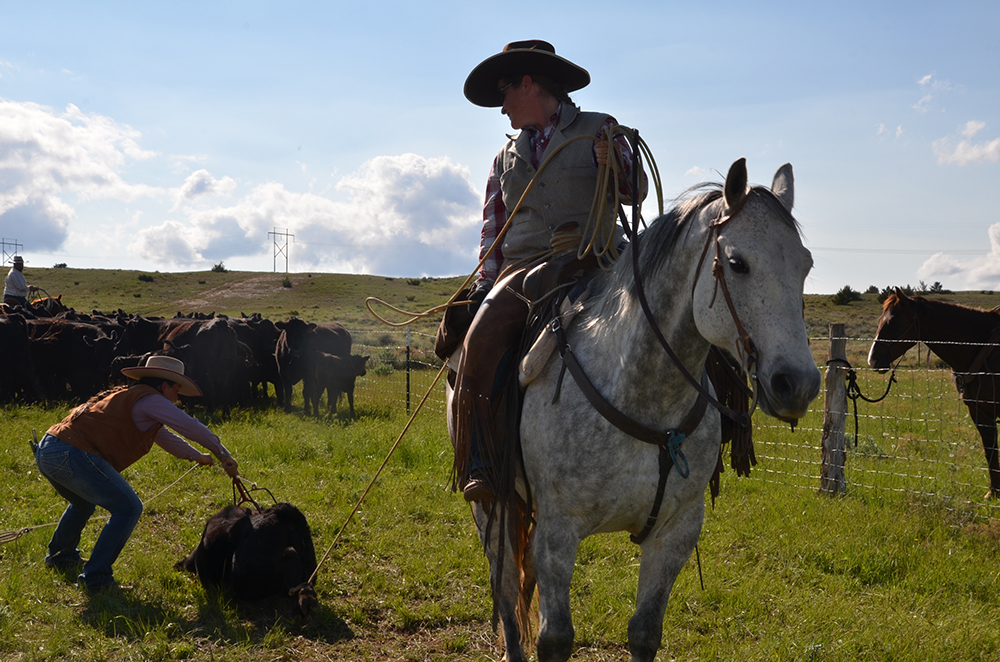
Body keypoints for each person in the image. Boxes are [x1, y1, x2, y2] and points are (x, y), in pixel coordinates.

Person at [451, 40, 646, 502]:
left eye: (503, 93)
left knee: (673, 306)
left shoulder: (601, 130)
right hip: (523, 271)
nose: (501, 109)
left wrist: (614, 163)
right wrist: (483, 284)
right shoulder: (503, 160)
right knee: (478, 338)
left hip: (594, 259)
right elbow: (492, 229)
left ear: (527, 83)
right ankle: (480, 458)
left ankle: (708, 429)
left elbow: (635, 189)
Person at [33, 355, 240, 592]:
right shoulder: (151, 399)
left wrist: (197, 456)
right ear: (164, 385)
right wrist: (222, 452)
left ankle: (61, 556)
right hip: (72, 452)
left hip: (50, 449)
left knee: (83, 504)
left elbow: (165, 437)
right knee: (128, 508)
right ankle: (96, 579)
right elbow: (189, 426)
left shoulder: (134, 398)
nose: (177, 395)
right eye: (176, 389)